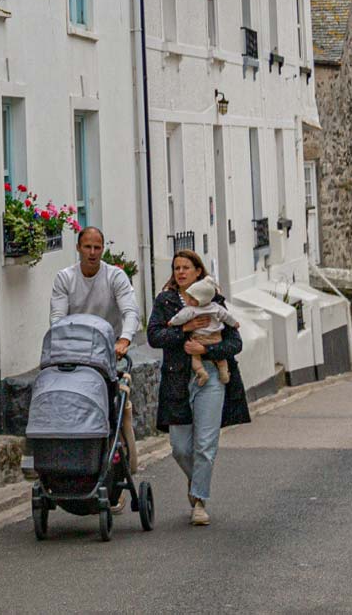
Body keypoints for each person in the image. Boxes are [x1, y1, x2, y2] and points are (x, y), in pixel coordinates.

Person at [148, 249, 248, 527]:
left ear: (198, 272)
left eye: (186, 268)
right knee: (180, 447)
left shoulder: (214, 302)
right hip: (177, 379)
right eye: (176, 268)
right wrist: (184, 330)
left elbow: (235, 343)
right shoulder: (165, 301)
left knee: (205, 445)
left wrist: (206, 348)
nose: (180, 272)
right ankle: (196, 480)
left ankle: (200, 502)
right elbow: (154, 336)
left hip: (212, 377)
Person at [49, 226, 141, 488]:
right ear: (78, 248)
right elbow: (57, 318)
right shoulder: (65, 278)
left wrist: (124, 339)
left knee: (116, 407)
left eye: (97, 247)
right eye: (87, 247)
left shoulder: (115, 277)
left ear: (103, 250)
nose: (92, 252)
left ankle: (121, 458)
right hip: (75, 351)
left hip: (107, 353)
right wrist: (61, 343)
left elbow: (130, 311)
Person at [168, 275, 236, 385]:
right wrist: (235, 323)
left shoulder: (191, 310)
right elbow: (227, 316)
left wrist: (172, 322)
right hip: (216, 337)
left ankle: (201, 372)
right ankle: (224, 372)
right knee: (221, 358)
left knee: (195, 357)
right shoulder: (216, 306)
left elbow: (180, 317)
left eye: (192, 298)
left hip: (199, 339)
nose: (189, 300)